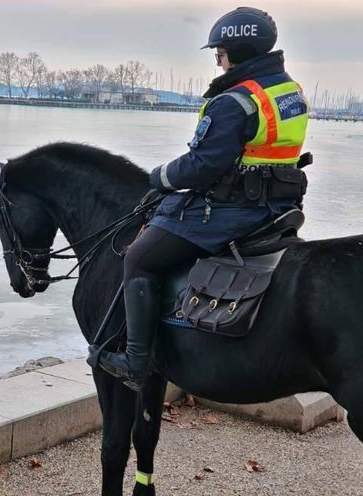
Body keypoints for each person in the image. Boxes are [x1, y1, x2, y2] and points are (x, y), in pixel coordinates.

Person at [93, 6, 310, 391]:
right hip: (279, 207)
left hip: (233, 211)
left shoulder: (235, 101)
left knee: (139, 259)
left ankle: (135, 362)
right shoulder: (288, 92)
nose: (217, 58)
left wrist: (159, 176)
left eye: (221, 51)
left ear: (239, 51)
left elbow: (202, 166)